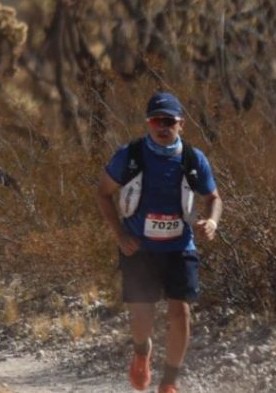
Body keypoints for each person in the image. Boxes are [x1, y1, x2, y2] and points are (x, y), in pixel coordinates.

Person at [97, 91, 223, 393]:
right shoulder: (130, 155)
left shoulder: (194, 159)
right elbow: (103, 192)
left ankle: (169, 383)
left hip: (180, 247)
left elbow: (213, 198)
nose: (162, 126)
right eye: (156, 120)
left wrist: (213, 222)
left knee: (181, 311)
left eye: (169, 120)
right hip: (139, 249)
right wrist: (119, 234)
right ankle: (142, 353)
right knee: (142, 317)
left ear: (181, 124)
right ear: (148, 123)